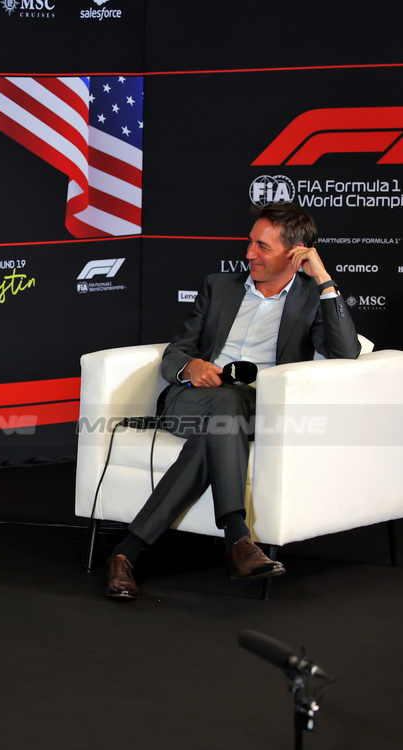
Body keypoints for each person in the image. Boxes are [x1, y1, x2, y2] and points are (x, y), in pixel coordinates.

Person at [104, 203, 360, 600]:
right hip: (191, 403)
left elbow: (345, 354)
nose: (249, 253)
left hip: (253, 408)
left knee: (224, 419)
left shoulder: (312, 298)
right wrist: (190, 367)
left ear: (295, 254)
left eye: (262, 246)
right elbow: (176, 350)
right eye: (249, 242)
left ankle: (126, 553)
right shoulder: (218, 286)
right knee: (224, 410)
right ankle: (238, 541)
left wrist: (325, 279)